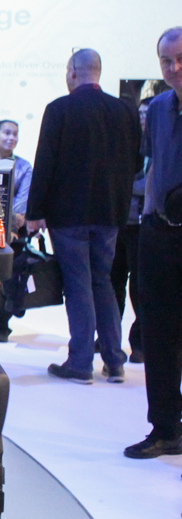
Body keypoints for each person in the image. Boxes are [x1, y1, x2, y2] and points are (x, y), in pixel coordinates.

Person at [26, 48, 139, 385]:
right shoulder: (125, 111)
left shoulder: (59, 109)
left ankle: (79, 363)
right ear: (98, 73)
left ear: (72, 72)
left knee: (78, 285)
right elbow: (134, 163)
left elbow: (45, 162)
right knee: (103, 282)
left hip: (69, 214)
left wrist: (34, 213)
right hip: (111, 213)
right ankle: (115, 362)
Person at [124, 27, 182, 458]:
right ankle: (165, 428)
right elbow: (152, 164)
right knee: (157, 334)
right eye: (167, 61)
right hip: (159, 233)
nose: (175, 68)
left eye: (180, 58)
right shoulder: (160, 107)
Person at [110, 92, 154, 364]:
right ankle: (108, 339)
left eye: (148, 115)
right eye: (141, 114)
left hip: (144, 227)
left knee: (140, 288)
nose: (143, 119)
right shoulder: (125, 143)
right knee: (112, 284)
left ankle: (139, 343)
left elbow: (149, 186)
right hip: (117, 224)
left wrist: (128, 188)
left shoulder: (162, 146)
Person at [0, 120, 33, 342]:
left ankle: (1, 324)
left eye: (15, 134)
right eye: (7, 133)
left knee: (10, 281)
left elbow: (21, 205)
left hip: (14, 233)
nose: (11, 138)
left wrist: (11, 225)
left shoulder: (24, 167)